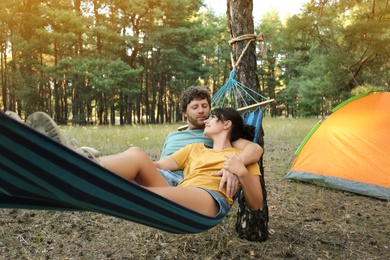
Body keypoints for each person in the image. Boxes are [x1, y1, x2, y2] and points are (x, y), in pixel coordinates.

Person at [99, 107, 263, 217]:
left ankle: (97, 180)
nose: (206, 120)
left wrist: (241, 172)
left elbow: (256, 204)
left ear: (227, 124)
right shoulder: (194, 148)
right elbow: (158, 165)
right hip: (179, 192)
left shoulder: (242, 157)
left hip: (209, 198)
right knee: (136, 154)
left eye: (212, 117)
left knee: (145, 196)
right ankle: (86, 164)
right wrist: (132, 165)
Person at [154, 86, 263, 198]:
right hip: (161, 177)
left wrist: (234, 167)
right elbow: (160, 164)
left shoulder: (216, 135)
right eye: (195, 107)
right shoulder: (173, 136)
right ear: (185, 113)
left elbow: (255, 149)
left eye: (205, 106)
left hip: (186, 185)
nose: (201, 111)